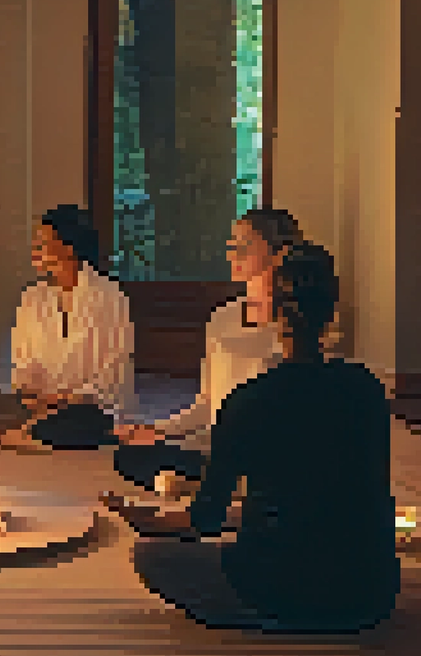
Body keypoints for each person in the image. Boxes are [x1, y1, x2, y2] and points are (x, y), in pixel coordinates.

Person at [130, 242, 400, 633]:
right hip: (368, 593)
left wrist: (155, 521)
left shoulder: (250, 399)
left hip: (273, 583)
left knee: (150, 556)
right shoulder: (367, 389)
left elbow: (207, 519)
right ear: (331, 312)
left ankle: (275, 614)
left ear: (275, 312)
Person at [113, 208, 304, 496]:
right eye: (231, 244)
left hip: (268, 451)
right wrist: (156, 429)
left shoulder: (295, 322)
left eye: (245, 245)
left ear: (279, 253)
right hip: (219, 448)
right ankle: (221, 486)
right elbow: (205, 405)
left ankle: (213, 487)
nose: (233, 253)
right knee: (131, 456)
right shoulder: (222, 317)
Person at [0, 205, 134, 451]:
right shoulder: (32, 297)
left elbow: (113, 369)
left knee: (85, 419)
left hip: (88, 406)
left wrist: (67, 399)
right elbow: (24, 362)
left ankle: (17, 435)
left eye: (43, 242)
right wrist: (32, 396)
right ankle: (32, 431)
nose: (35, 249)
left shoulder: (109, 296)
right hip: (41, 404)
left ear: (69, 248)